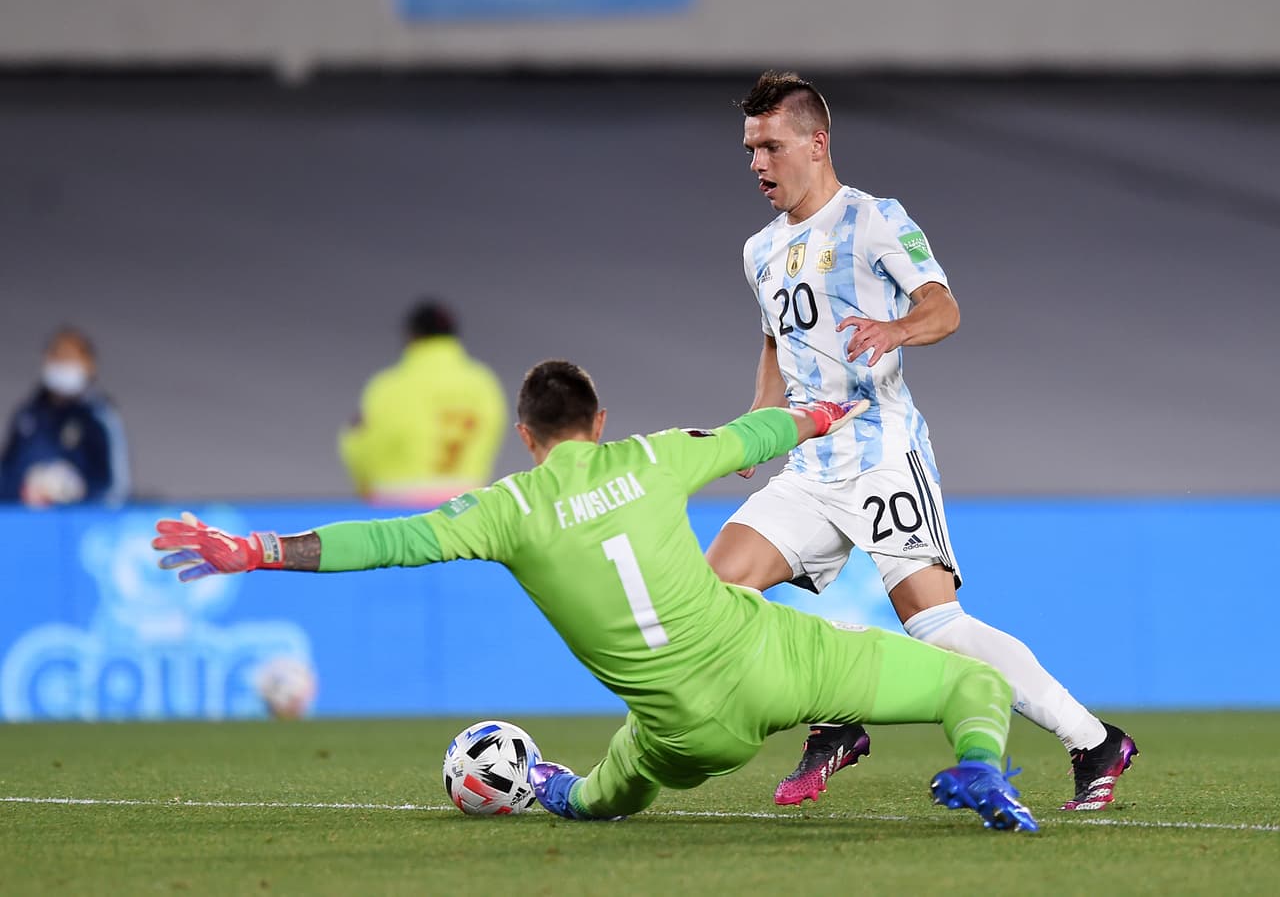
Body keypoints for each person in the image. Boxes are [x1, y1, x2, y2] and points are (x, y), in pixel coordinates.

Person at [152, 359, 1038, 832]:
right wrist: (824, 415)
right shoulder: (652, 456)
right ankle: (981, 770)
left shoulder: (507, 510)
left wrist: (258, 550)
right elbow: (756, 433)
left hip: (684, 733)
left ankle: (555, 788)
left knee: (610, 795)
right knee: (972, 682)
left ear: (526, 435)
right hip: (775, 661)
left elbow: (388, 543)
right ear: (599, 423)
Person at [706, 70, 1137, 813]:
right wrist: (756, 426)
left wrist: (895, 329)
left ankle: (1093, 740)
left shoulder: (874, 219)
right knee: (714, 594)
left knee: (938, 628)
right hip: (811, 466)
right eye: (750, 149)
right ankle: (836, 715)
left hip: (882, 454)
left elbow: (944, 309)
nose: (756, 163)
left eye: (770, 146)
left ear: (817, 143)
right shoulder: (759, 251)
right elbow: (775, 342)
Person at [339, 299, 506, 505]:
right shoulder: (483, 383)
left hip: (397, 501)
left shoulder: (390, 386)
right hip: (466, 502)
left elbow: (362, 445)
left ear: (411, 336)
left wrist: (365, 487)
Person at [0, 326, 130, 507]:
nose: (62, 365)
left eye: (69, 358)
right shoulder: (28, 415)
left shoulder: (99, 418)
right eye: (57, 357)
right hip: (26, 518)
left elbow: (114, 489)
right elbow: (6, 473)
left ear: (89, 365)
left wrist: (73, 490)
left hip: (79, 521)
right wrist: (26, 486)